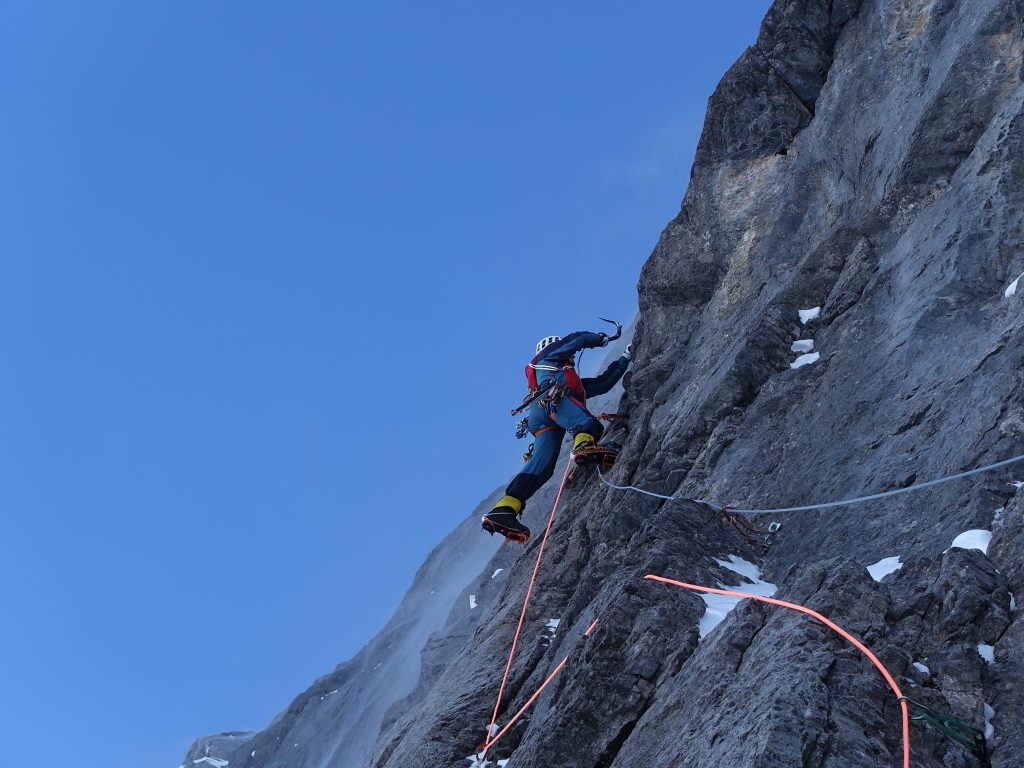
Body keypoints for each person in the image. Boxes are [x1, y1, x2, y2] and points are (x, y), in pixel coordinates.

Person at [482, 331, 632, 543]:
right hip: (554, 398)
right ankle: (584, 447)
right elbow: (576, 339)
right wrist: (600, 339)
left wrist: (624, 358)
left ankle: (504, 510)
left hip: (540, 413)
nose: (571, 357)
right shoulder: (548, 357)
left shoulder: (566, 377)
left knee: (541, 465)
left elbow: (602, 384)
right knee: (587, 424)